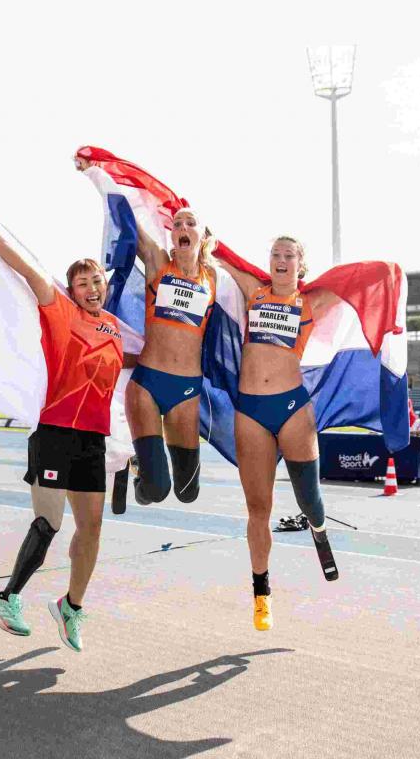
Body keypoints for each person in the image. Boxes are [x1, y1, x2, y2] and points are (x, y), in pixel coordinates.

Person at [0, 210, 126, 652]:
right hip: (55, 433)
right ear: (71, 289)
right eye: (82, 283)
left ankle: (71, 607)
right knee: (48, 524)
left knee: (92, 529)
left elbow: (114, 387)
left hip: (91, 440)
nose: (92, 288)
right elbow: (25, 266)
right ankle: (6, 599)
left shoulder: (114, 329)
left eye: (96, 280)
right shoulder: (58, 310)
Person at [76, 157, 217, 508]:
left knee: (188, 492)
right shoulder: (158, 263)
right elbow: (128, 221)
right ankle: (135, 467)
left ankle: (138, 462)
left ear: (204, 235)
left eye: (190, 222)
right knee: (155, 491)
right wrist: (98, 174)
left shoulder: (214, 278)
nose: (182, 226)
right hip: (148, 385)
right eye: (177, 222)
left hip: (187, 388)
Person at [217, 236, 341, 632]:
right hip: (250, 411)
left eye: (289, 255)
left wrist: (387, 277)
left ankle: (319, 530)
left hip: (292, 408)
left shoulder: (311, 302)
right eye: (276, 254)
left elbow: (354, 286)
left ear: (300, 266)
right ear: (268, 262)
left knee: (309, 500)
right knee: (258, 510)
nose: (281, 260)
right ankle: (262, 594)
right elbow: (218, 253)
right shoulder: (254, 292)